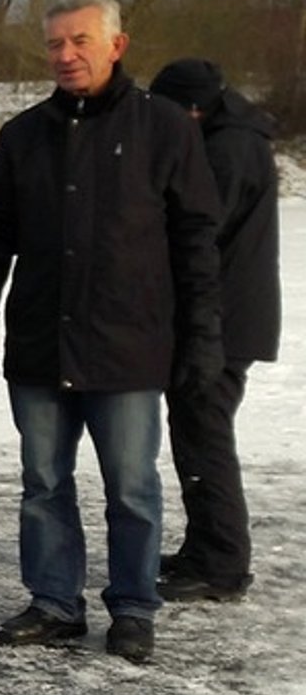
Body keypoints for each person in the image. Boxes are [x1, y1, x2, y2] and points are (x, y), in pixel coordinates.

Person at [0, 0, 222, 664]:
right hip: (41, 342)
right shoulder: (24, 134)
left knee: (132, 486)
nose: (66, 55)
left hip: (128, 342)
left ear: (116, 45)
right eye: (55, 44)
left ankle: (133, 606)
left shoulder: (164, 128)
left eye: (80, 41)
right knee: (44, 481)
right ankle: (54, 601)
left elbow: (195, 239)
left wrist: (203, 333)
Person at [148, 58, 282, 602]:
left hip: (224, 319)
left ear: (194, 109)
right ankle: (207, 547)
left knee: (205, 433)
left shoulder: (229, 150)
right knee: (197, 430)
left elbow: (199, 228)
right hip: (223, 315)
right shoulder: (233, 138)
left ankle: (222, 562)